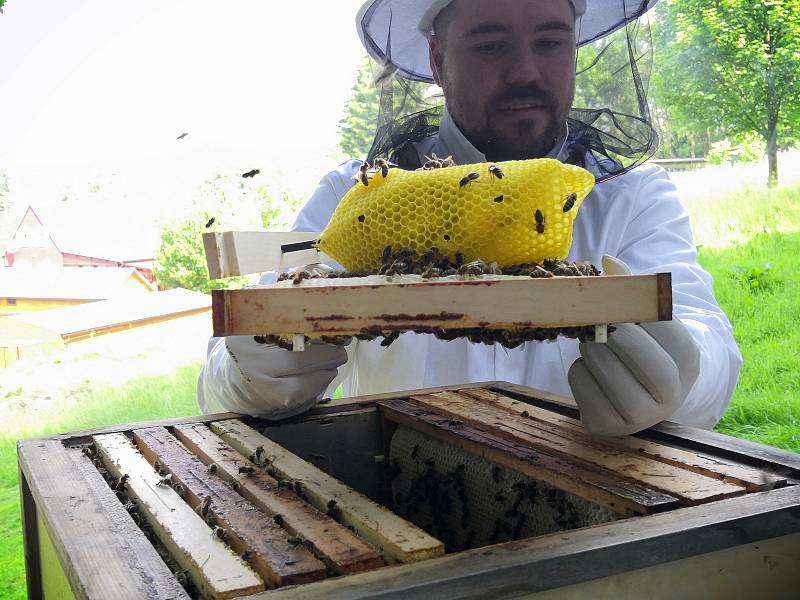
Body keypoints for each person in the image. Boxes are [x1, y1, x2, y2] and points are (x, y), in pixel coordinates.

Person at [198, 0, 741, 436]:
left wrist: (684, 376)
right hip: (405, 511)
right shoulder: (351, 196)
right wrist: (255, 373)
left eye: (550, 42)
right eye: (491, 45)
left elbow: (705, 335)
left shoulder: (631, 196)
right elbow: (222, 382)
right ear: (437, 59)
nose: (525, 71)